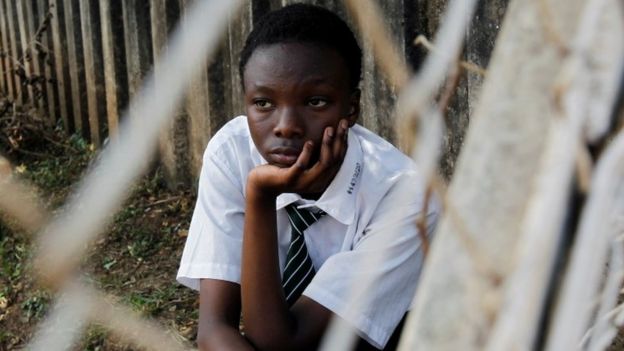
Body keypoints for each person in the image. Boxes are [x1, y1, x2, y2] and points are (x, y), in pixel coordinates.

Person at [177, 4, 439, 350]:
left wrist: (259, 195)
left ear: (352, 107)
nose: (286, 126)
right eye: (263, 103)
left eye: (315, 102)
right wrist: (260, 191)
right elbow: (213, 329)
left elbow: (281, 341)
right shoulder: (232, 153)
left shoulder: (404, 193)